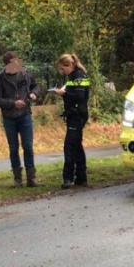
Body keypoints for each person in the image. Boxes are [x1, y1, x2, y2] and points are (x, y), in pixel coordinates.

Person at [0, 51, 40, 187]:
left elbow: (36, 86)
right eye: (15, 62)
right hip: (9, 118)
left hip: (25, 115)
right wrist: (13, 103)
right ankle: (17, 179)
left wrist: (34, 94)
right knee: (13, 148)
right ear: (7, 65)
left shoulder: (26, 74)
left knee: (28, 147)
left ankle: (31, 178)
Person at [51, 53, 91, 189]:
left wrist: (64, 93)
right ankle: (81, 177)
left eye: (63, 68)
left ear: (70, 65)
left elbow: (79, 96)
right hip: (74, 114)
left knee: (69, 146)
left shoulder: (79, 76)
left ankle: (68, 178)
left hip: (77, 115)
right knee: (77, 146)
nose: (62, 71)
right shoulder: (72, 77)